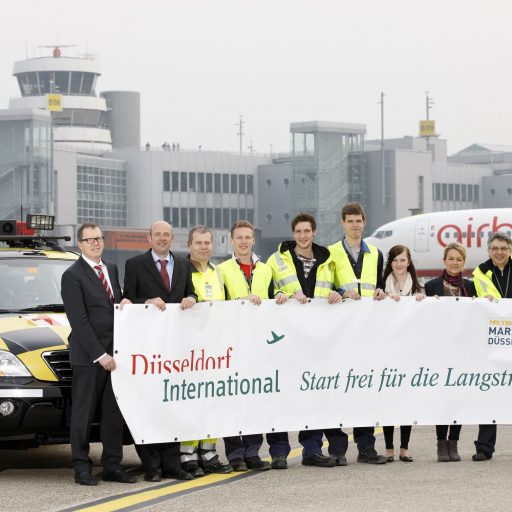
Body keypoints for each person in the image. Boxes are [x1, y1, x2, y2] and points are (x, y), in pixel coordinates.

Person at [267, 213, 346, 468]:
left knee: (314, 394)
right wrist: (283, 294)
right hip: (286, 338)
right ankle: (279, 452)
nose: (303, 236)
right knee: (280, 393)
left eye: (307, 231)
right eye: (299, 231)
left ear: (314, 232)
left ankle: (312, 450)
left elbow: (341, 287)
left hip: (317, 339)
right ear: (294, 234)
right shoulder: (276, 259)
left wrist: (338, 293)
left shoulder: (328, 259)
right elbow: (268, 289)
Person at [61, 223, 137, 486]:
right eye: (89, 239)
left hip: (115, 354)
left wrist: (124, 302)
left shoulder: (111, 268)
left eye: (99, 238)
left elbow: (111, 306)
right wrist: (99, 355)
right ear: (80, 244)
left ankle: (112, 465)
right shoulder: (72, 275)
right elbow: (79, 320)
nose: (95, 243)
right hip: (89, 357)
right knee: (83, 414)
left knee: (112, 414)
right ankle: (81, 467)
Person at [123, 220, 197, 482]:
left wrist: (192, 299)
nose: (162, 238)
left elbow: (192, 293)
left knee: (173, 405)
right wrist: (147, 302)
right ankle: (152, 466)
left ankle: (172, 466)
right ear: (150, 238)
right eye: (158, 234)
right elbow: (126, 301)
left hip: (176, 348)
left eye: (167, 235)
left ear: (172, 238)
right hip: (148, 349)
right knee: (150, 407)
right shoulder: (134, 265)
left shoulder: (184, 264)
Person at [219, 220, 290, 471]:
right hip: (233, 344)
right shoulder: (222, 270)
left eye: (247, 237)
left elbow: (273, 295)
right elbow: (217, 305)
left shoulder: (266, 269)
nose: (243, 242)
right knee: (232, 401)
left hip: (259, 345)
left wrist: (279, 296)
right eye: (239, 237)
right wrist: (241, 301)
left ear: (253, 240)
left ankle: (252, 452)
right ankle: (235, 454)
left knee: (254, 400)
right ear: (232, 240)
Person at [328, 202, 387, 464]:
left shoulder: (376, 254)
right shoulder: (330, 253)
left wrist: (381, 292)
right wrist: (341, 293)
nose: (355, 225)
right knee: (335, 389)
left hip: (366, 332)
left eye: (358, 221)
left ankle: (366, 448)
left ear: (364, 222)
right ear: (343, 223)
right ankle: (337, 449)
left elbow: (380, 285)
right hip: (339, 332)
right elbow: (325, 287)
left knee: (365, 390)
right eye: (350, 221)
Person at [179, 226, 233, 476]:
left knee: (213, 401)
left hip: (216, 350)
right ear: (189, 245)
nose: (203, 247)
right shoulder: (181, 271)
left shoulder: (218, 272)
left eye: (207, 243)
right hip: (190, 351)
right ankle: (187, 453)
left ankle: (209, 452)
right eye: (198, 243)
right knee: (191, 401)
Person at [425, 242, 475, 462]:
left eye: (459, 259)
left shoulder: (471, 287)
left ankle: (453, 442)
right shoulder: (431, 286)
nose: (455, 263)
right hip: (440, 349)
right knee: (442, 398)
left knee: (458, 398)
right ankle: (441, 443)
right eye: (451, 258)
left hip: (463, 349)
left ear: (464, 263)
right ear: (444, 261)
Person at [382, 244, 425, 463]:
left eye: (403, 260)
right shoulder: (382, 286)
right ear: (390, 263)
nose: (399, 264)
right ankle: (389, 449)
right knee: (388, 401)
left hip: (409, 352)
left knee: (407, 401)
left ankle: (404, 449)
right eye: (395, 260)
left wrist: (422, 302)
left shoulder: (418, 288)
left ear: (409, 262)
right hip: (388, 351)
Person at [472, 232, 512, 461]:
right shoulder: (480, 272)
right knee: (490, 393)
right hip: (493, 339)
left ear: (510, 250)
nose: (499, 252)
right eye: (495, 248)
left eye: (503, 248)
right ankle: (484, 447)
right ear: (488, 250)